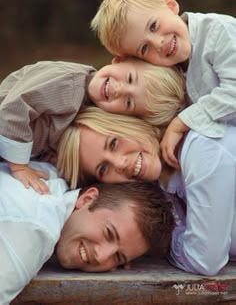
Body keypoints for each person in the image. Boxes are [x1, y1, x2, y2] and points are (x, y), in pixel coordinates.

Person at [59, 105, 236, 276]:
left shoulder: (202, 148)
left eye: (114, 143)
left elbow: (204, 260)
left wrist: (161, 244)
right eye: (104, 168)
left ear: (130, 123)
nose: (120, 163)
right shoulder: (159, 192)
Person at [91, 0, 236, 169]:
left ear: (170, 5)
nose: (158, 42)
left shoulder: (218, 31)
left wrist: (182, 122)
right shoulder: (173, 70)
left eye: (153, 26)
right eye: (144, 48)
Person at [0, 160, 174, 305]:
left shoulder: (50, 176)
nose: (101, 256)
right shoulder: (35, 231)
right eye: (109, 233)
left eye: (118, 257)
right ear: (87, 199)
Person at [0, 59, 185, 192]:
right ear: (120, 60)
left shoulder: (83, 115)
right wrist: (20, 167)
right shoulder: (69, 84)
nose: (118, 89)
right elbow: (13, 109)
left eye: (129, 102)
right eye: (113, 142)